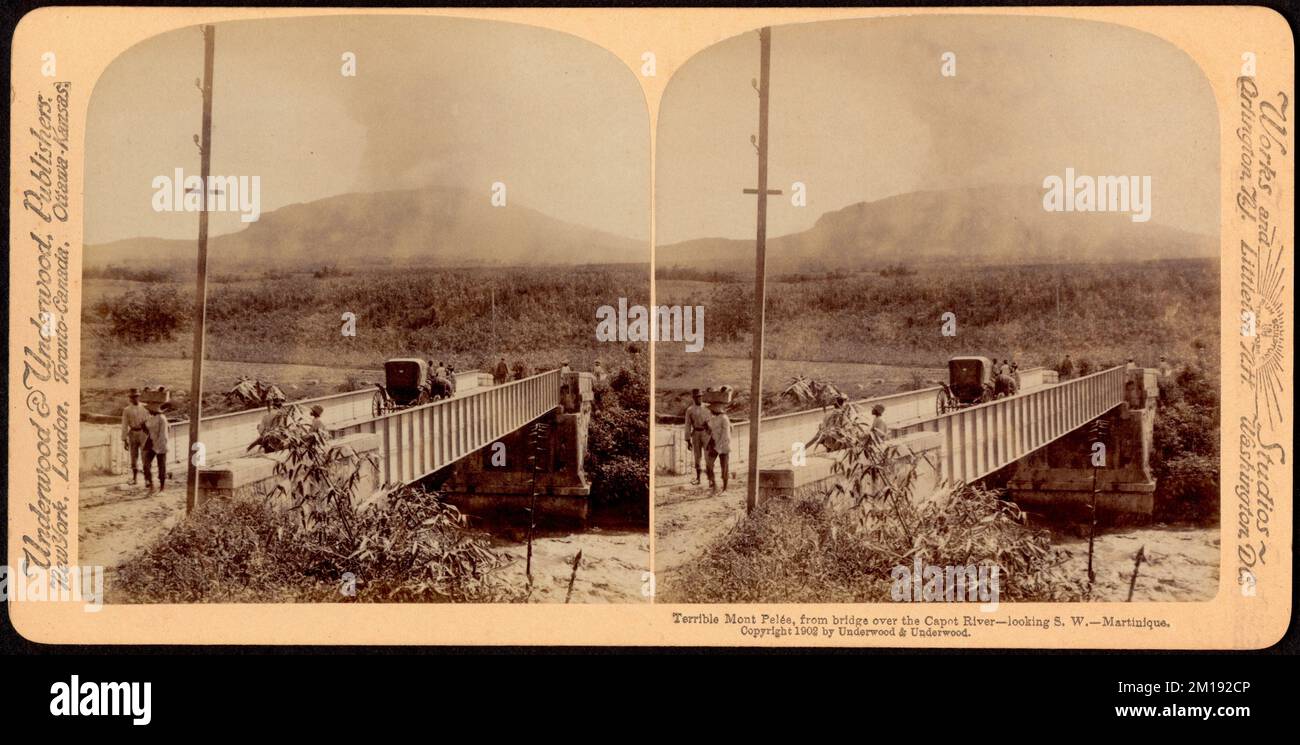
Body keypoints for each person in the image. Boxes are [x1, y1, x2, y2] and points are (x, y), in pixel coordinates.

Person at [120, 388, 149, 485]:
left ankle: (147, 479)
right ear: (130, 399)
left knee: (145, 456)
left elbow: (151, 420)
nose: (134, 399)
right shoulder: (127, 410)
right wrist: (124, 439)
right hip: (132, 433)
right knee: (133, 456)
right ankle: (135, 478)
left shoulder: (146, 407)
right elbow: (124, 425)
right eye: (132, 397)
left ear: (139, 397)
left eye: (136, 396)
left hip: (143, 433)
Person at [683, 389, 711, 485]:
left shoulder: (708, 407)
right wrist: (688, 440)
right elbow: (687, 425)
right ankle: (698, 478)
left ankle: (710, 479)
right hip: (696, 434)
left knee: (708, 456)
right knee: (697, 456)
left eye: (700, 396)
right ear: (693, 398)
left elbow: (715, 417)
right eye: (697, 397)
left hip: (706, 433)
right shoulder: (690, 410)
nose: (699, 398)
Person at [704, 402, 733, 494]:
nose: (710, 411)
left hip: (724, 445)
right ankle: (714, 485)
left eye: (712, 409)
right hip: (715, 444)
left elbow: (726, 436)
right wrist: (706, 427)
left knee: (724, 467)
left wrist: (718, 448)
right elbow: (711, 432)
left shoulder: (724, 419)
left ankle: (724, 489)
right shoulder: (713, 418)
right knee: (709, 465)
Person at [142, 402, 170, 492]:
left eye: (149, 410)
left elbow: (163, 434)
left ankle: (162, 487)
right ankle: (151, 485)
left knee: (161, 466)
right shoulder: (150, 418)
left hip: (161, 443)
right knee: (146, 464)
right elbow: (148, 430)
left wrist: (159, 447)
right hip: (151, 442)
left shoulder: (162, 419)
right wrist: (144, 426)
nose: (148, 411)